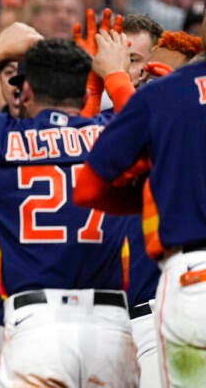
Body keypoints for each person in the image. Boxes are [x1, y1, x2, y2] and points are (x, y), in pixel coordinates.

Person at [0, 27, 139, 387]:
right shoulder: (110, 131)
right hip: (110, 327)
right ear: (85, 88)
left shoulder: (3, 135)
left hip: (37, 325)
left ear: (29, 90)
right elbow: (152, 130)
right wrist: (115, 74)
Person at [75, 28, 206, 388]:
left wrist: (156, 193)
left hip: (188, 285)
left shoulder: (167, 101)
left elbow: (86, 187)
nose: (143, 72)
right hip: (113, 316)